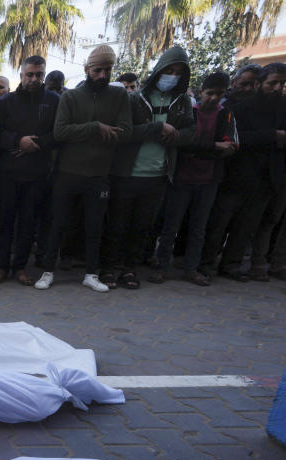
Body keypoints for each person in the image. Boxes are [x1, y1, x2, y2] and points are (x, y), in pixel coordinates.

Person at [35, 44, 132, 292]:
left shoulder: (119, 96)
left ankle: (91, 274)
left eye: (107, 70)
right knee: (58, 224)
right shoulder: (71, 97)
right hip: (68, 172)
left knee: (95, 225)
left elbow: (125, 133)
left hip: (99, 175)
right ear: (87, 69)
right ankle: (47, 271)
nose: (102, 75)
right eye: (98, 69)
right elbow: (61, 132)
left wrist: (86, 132)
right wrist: (96, 127)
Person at [101, 45, 196, 290]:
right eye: (168, 70)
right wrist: (156, 128)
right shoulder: (134, 98)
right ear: (158, 70)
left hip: (158, 175)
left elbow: (191, 133)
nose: (171, 76)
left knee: (142, 226)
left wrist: (175, 135)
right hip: (127, 173)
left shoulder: (183, 102)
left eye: (177, 72)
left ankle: (129, 269)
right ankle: (110, 268)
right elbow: (123, 133)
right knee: (117, 224)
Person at [149, 72, 237, 286]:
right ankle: (160, 267)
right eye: (210, 93)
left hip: (208, 180)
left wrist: (206, 149)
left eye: (220, 94)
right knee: (171, 226)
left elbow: (230, 146)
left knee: (199, 227)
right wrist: (213, 147)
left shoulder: (226, 115)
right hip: (181, 178)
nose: (214, 98)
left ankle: (192, 268)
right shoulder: (188, 113)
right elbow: (183, 142)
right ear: (201, 92)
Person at [210, 62, 286, 281]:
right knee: (220, 223)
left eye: (282, 84)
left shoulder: (283, 107)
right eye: (273, 83)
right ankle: (206, 263)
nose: (277, 88)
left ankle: (231, 265)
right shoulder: (241, 108)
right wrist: (272, 135)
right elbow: (235, 138)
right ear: (259, 83)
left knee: (247, 225)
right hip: (237, 176)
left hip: (267, 178)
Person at [0, 54, 59, 286]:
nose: (34, 79)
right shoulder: (4, 103)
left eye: (39, 74)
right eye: (29, 74)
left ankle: (20, 267)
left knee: (28, 224)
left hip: (36, 174)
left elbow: (58, 133)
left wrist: (35, 144)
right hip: (7, 174)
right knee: (4, 222)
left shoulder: (53, 101)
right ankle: (1, 266)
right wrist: (17, 140)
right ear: (21, 75)